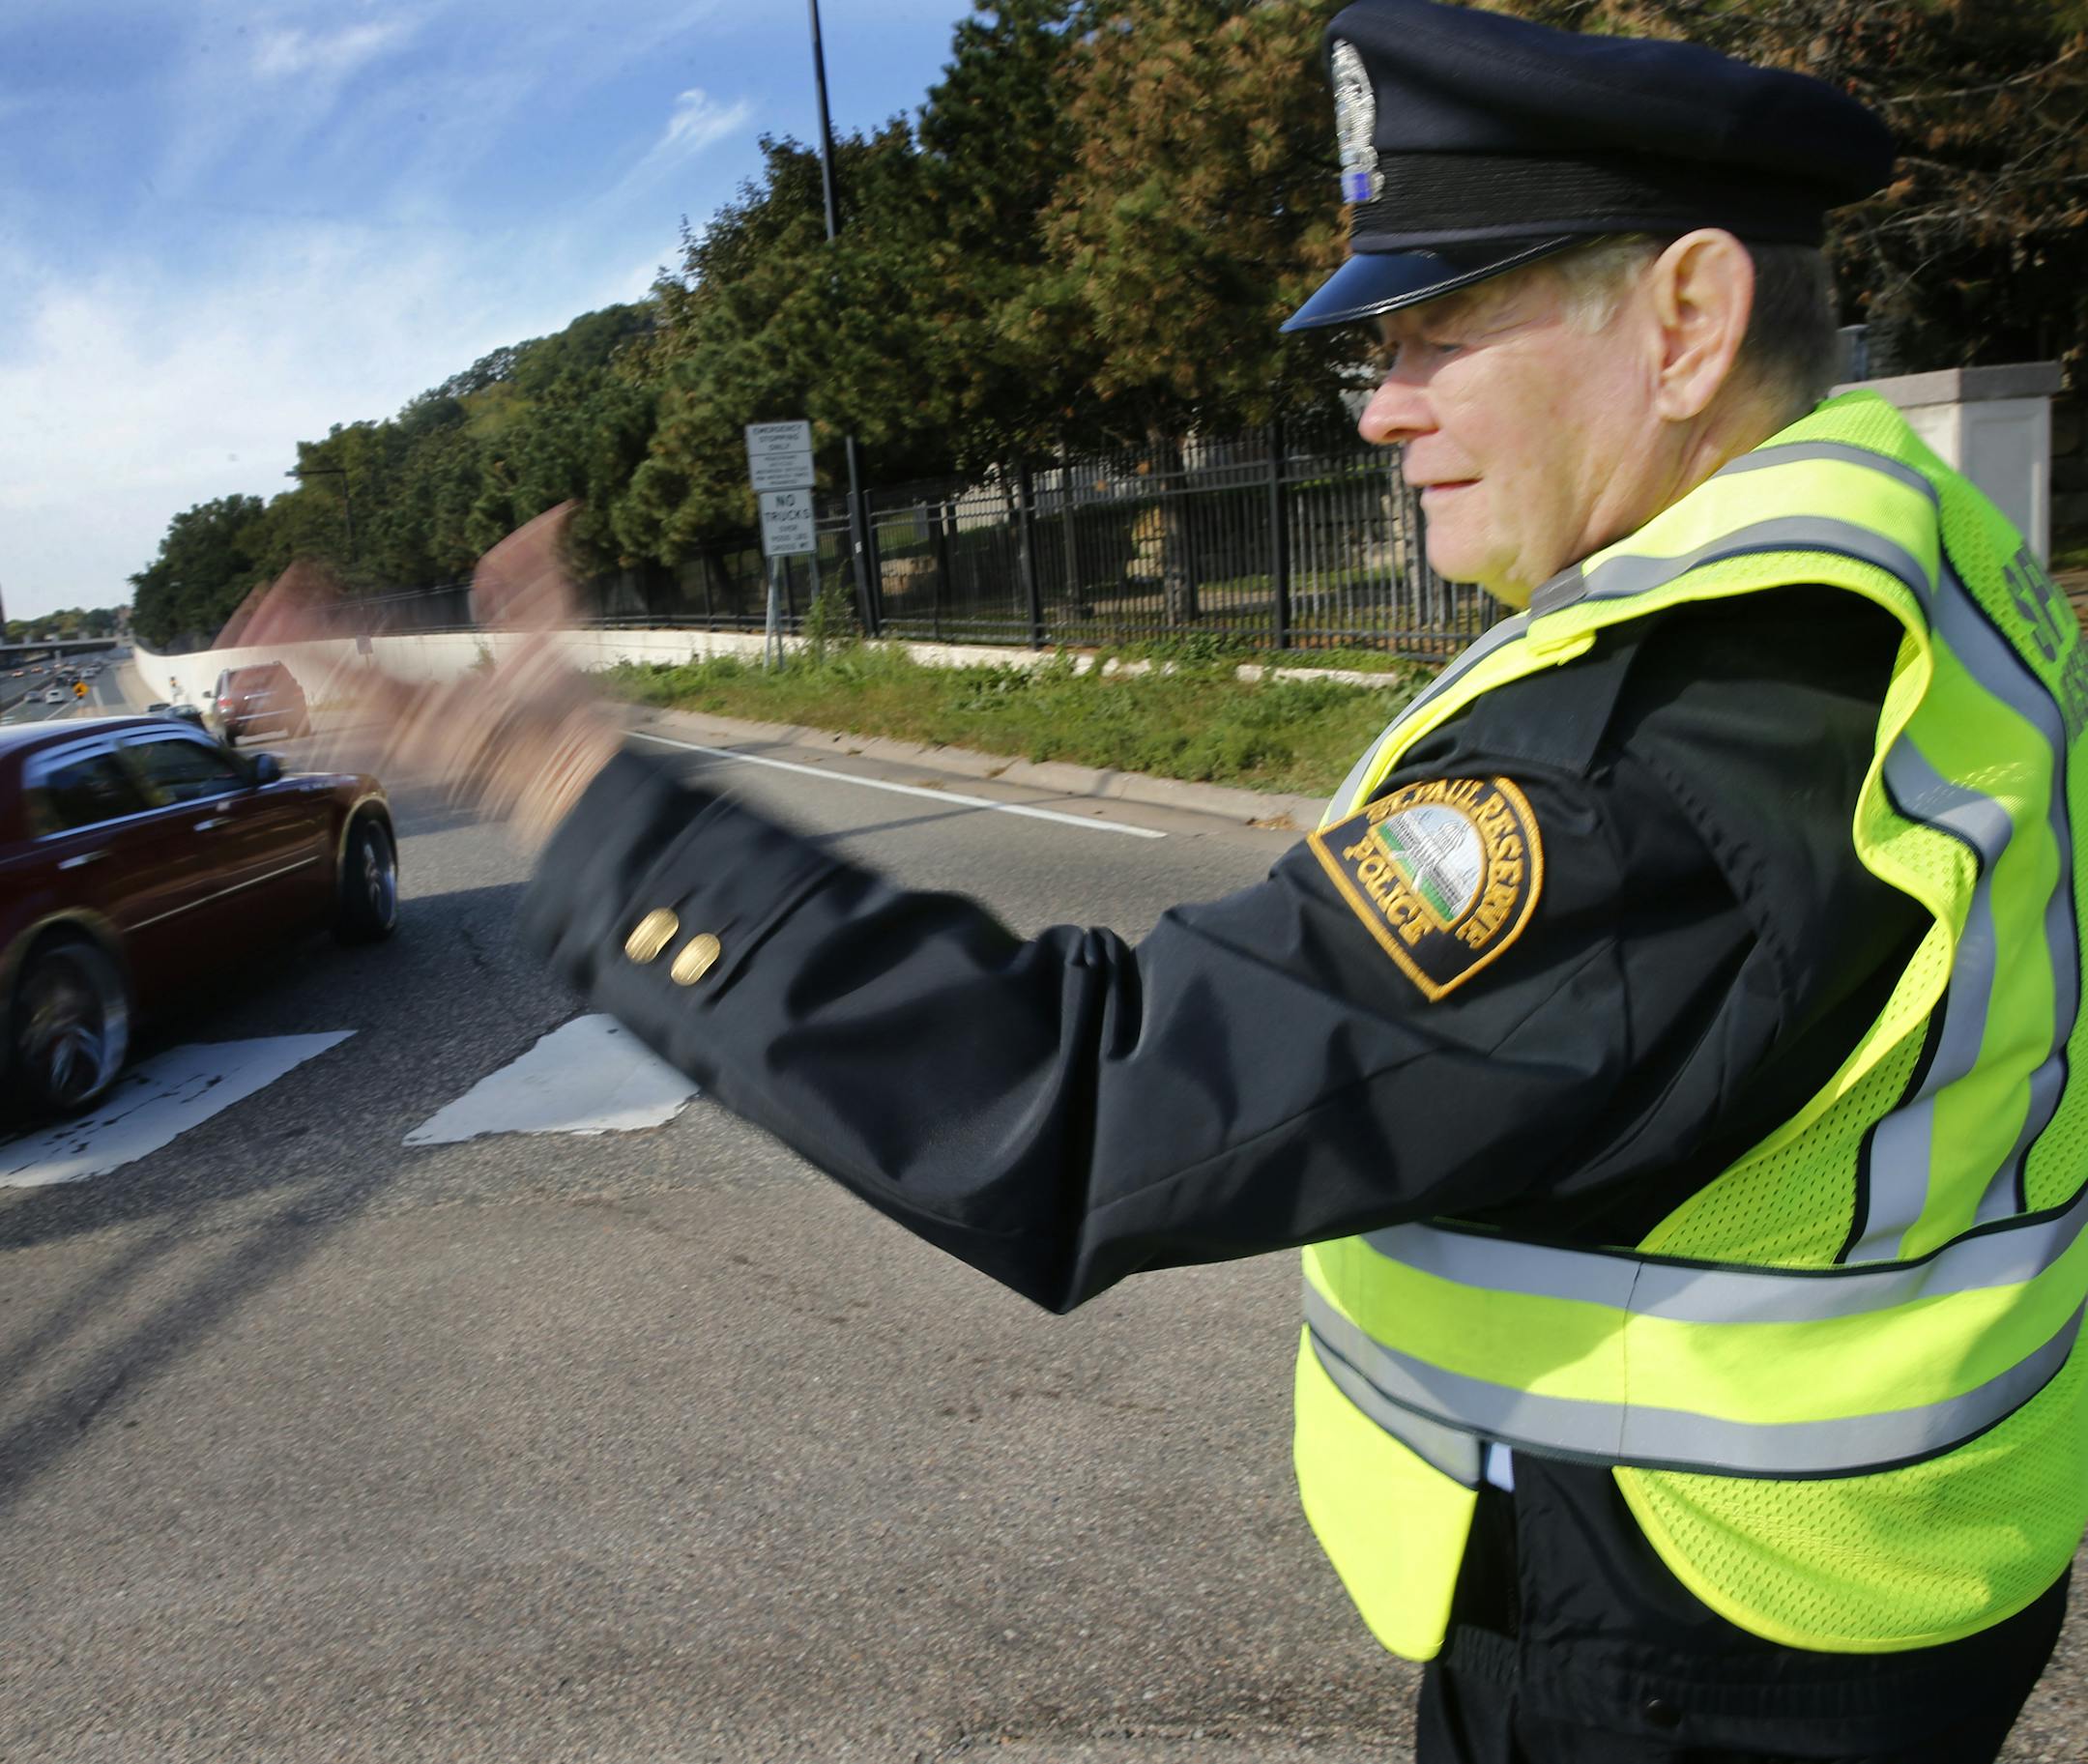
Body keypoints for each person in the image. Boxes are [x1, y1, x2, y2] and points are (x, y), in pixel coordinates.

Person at [258, 3, 2088, 1757]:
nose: (1382, 407)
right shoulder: (1926, 571)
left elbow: (1080, 1107)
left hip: (1694, 1641)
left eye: (1437, 330)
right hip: (1895, 1568)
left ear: (1687, 319)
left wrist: (564, 785)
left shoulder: (1655, 749)